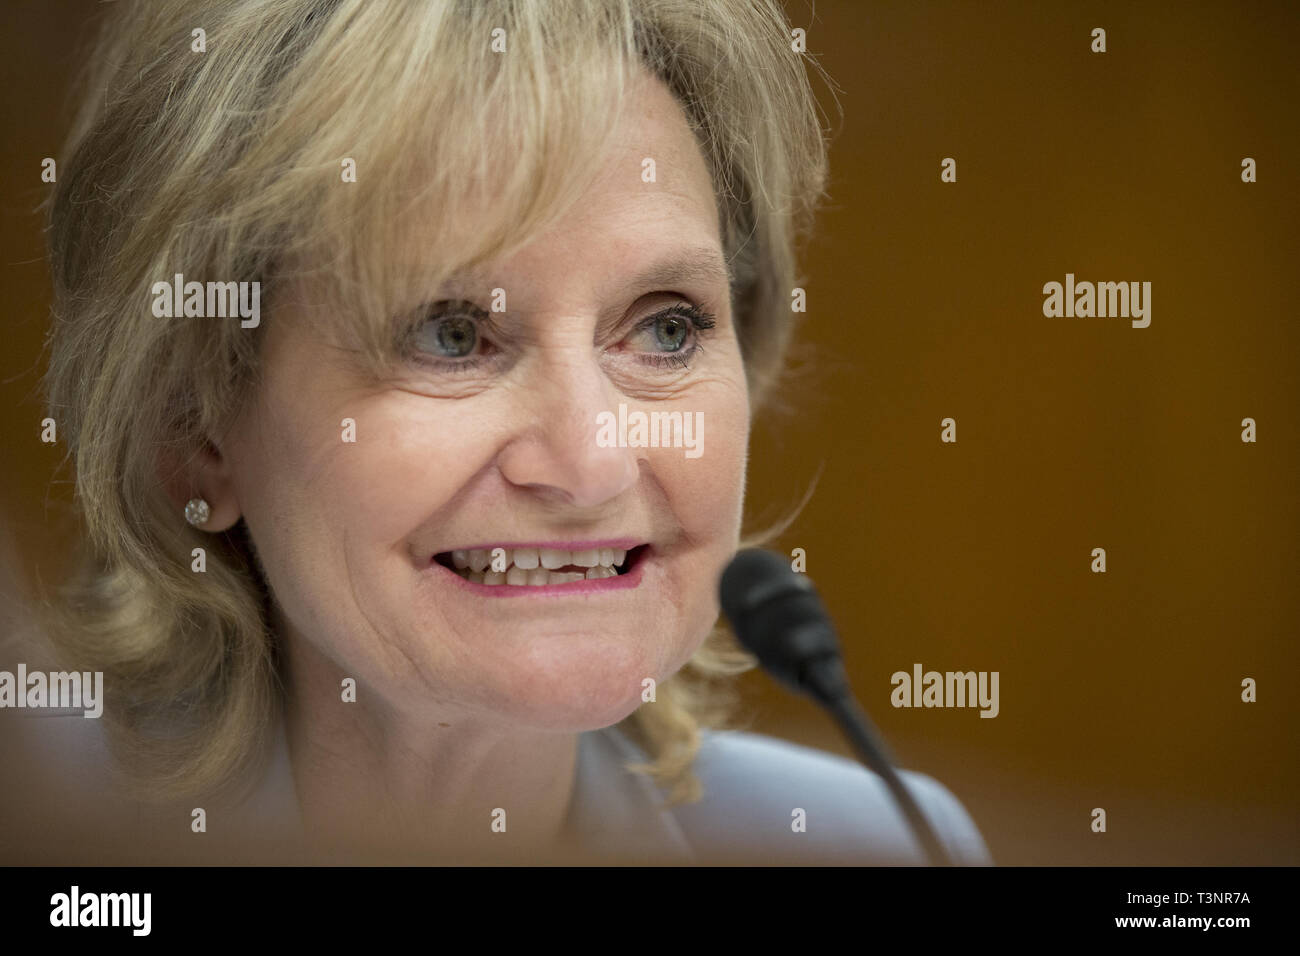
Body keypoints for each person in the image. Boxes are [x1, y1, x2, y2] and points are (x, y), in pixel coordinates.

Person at [22, 0, 992, 865]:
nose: (590, 460)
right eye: (453, 337)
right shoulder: (43, 834)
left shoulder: (889, 844)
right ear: (196, 431)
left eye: (664, 327)